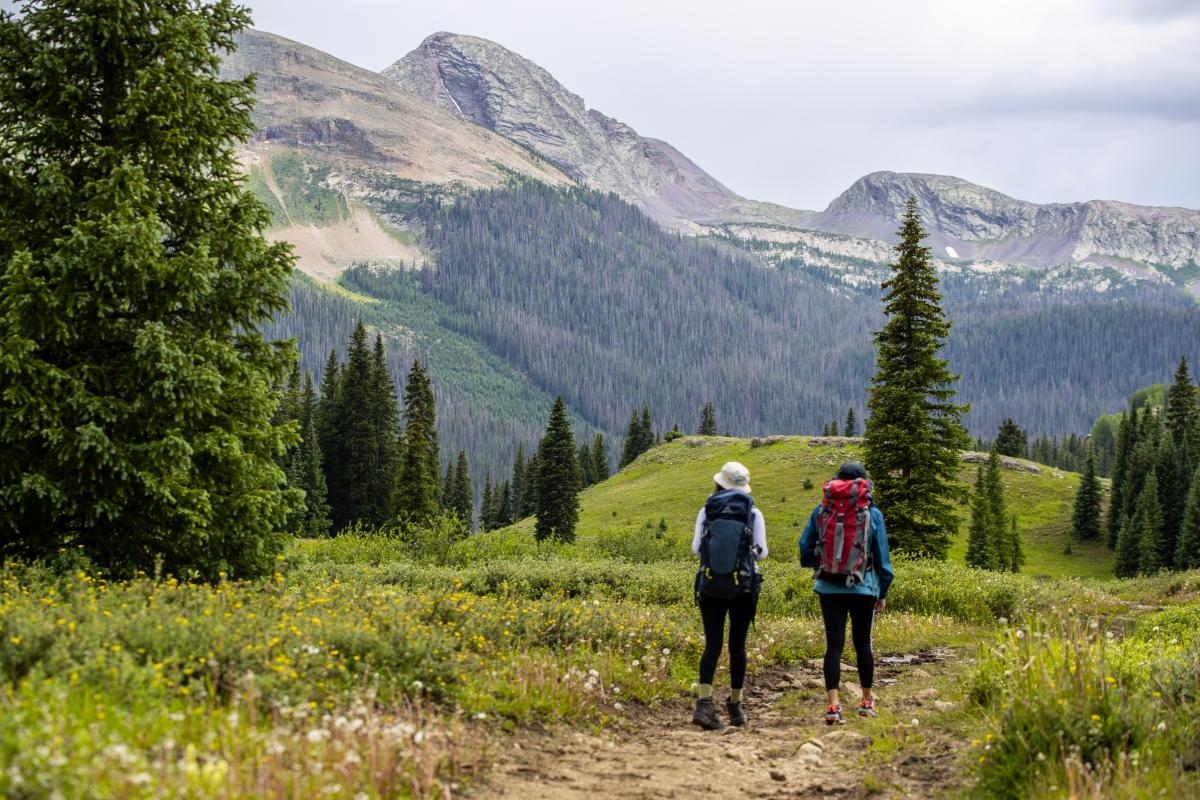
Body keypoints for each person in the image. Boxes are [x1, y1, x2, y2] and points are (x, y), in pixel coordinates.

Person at [798, 462, 894, 725]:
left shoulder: (821, 511)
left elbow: (805, 547)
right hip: (864, 588)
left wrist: (822, 566)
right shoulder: (872, 514)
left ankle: (833, 706)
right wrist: (882, 592)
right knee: (863, 644)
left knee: (834, 646)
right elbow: (883, 560)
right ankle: (866, 701)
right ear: (863, 485)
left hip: (828, 587)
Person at [691, 461, 768, 730]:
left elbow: (696, 549)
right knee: (738, 646)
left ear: (719, 483)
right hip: (744, 586)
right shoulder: (753, 513)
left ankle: (703, 704)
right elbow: (762, 553)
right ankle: (735, 706)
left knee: (712, 644)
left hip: (710, 584)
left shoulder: (707, 510)